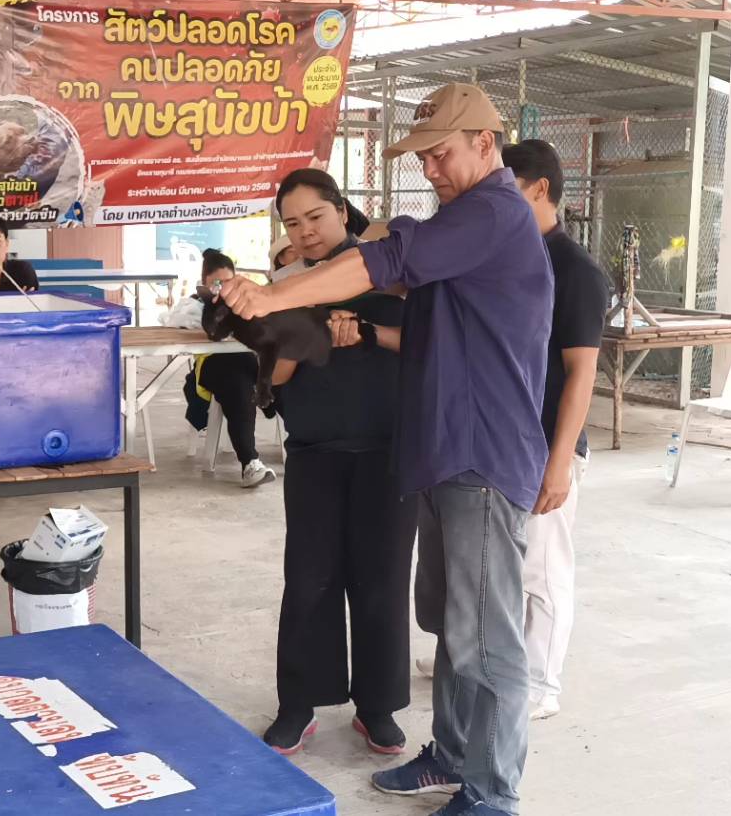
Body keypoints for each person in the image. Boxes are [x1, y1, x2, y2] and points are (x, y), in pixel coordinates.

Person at [220, 83, 552, 816]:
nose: (429, 169)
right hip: (442, 453)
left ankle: (493, 794)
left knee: (486, 640)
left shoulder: (494, 209)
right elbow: (399, 249)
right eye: (421, 157)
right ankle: (454, 757)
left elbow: (390, 259)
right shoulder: (463, 217)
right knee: (454, 628)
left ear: (485, 144)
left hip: (482, 454)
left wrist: (273, 295)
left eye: (440, 154)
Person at [258, 168, 411, 757]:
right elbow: (269, 381)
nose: (305, 232)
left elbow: (427, 347)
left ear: (343, 213)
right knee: (309, 582)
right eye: (292, 223)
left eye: (315, 217)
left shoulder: (392, 276)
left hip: (388, 454)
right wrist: (308, 335)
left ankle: (377, 707)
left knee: (381, 582)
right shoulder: (283, 289)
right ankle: (298, 704)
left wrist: (366, 331)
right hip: (315, 455)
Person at [499, 139, 610, 722]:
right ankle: (496, 662)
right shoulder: (511, 256)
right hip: (504, 441)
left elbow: (581, 372)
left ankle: (542, 685)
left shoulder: (575, 270)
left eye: (507, 191)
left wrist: (560, 461)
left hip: (547, 444)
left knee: (542, 570)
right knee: (503, 568)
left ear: (540, 189)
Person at [186, 248, 277, 488]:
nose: (223, 288)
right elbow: (206, 331)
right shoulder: (195, 305)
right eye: (217, 283)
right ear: (205, 283)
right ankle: (250, 463)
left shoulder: (247, 302)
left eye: (228, 281)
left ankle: (312, 448)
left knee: (283, 378)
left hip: (248, 361)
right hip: (212, 364)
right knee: (239, 386)